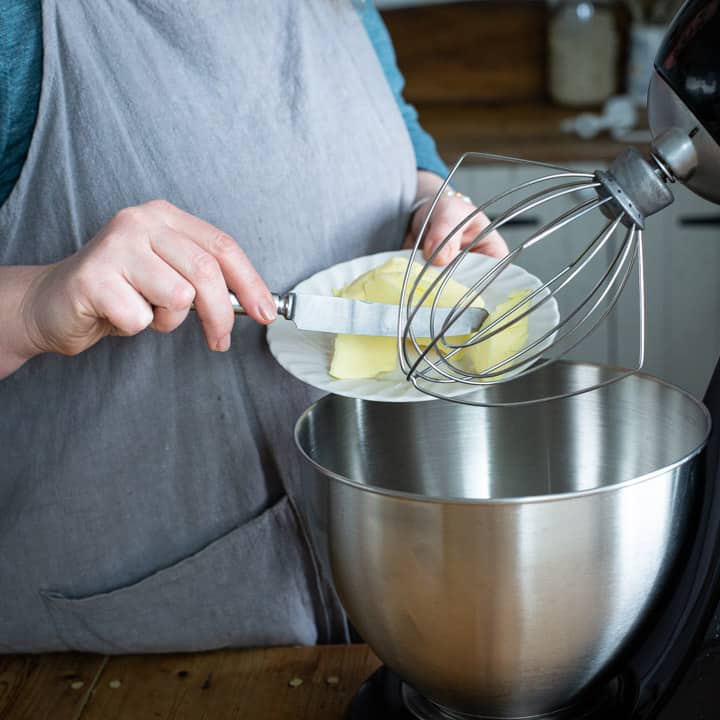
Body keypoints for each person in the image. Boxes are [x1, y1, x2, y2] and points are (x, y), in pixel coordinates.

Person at [0, 1, 507, 653]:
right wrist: (34, 301)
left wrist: (427, 203)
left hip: (376, 603)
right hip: (120, 657)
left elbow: (400, 139)